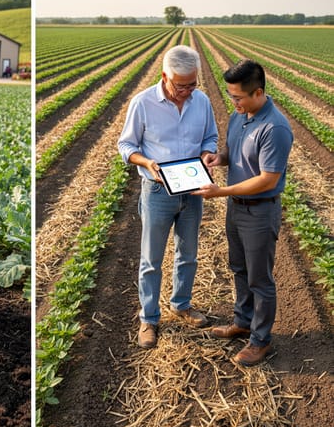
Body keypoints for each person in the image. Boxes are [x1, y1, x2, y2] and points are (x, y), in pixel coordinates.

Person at [118, 45, 219, 348]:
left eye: (193, 84)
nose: (188, 91)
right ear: (165, 76)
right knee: (151, 259)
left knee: (187, 254)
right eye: (181, 85)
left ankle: (182, 304)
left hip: (192, 191)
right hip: (158, 191)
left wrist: (207, 153)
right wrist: (147, 162)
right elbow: (126, 145)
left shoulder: (201, 101)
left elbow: (210, 137)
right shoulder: (143, 103)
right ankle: (149, 318)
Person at [193, 59, 293, 366]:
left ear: (258, 92)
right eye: (230, 95)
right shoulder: (241, 116)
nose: (232, 101)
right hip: (236, 209)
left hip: (260, 212)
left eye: (238, 96)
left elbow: (267, 179)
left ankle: (261, 341)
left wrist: (219, 191)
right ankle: (242, 321)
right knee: (239, 268)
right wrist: (217, 158)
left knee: (260, 279)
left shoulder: (274, 127)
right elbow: (233, 151)